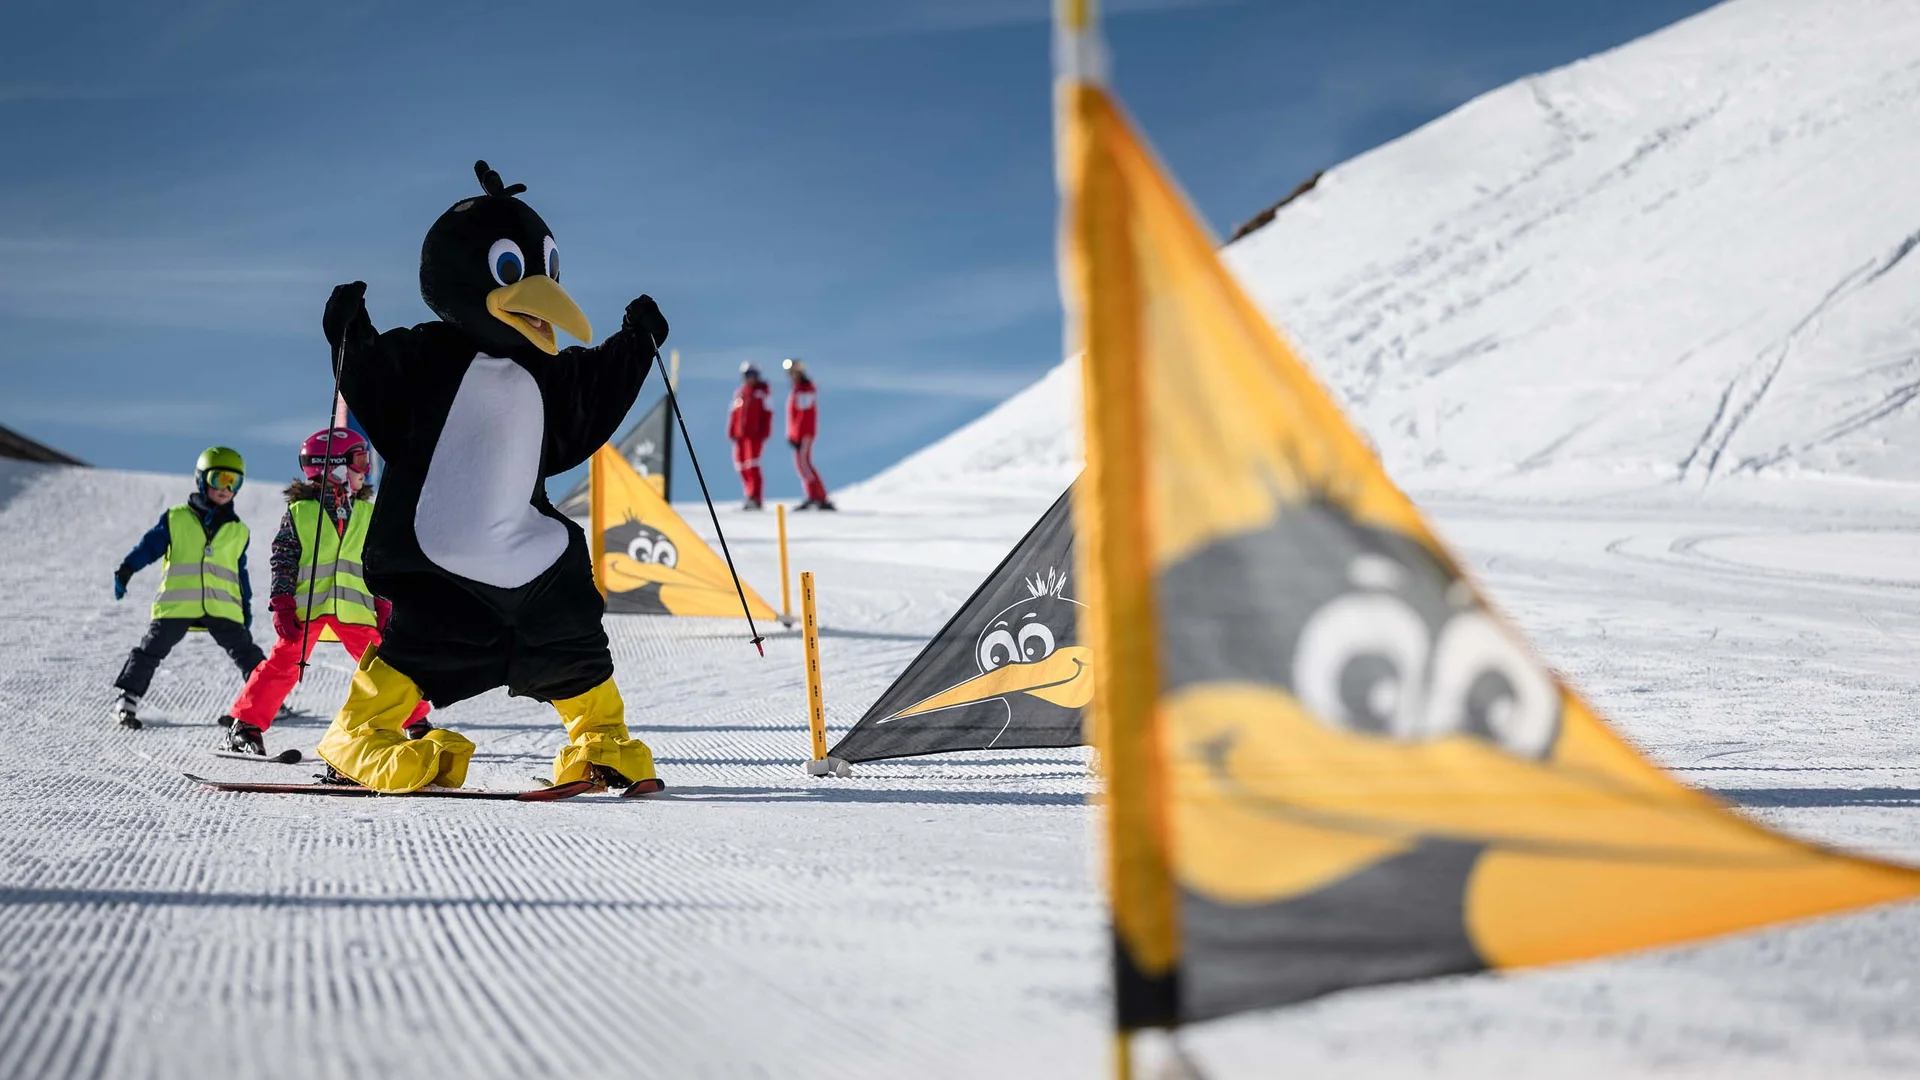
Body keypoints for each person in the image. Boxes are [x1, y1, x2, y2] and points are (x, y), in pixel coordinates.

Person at [312, 159, 667, 794]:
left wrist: (635, 343)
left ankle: (600, 740)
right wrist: (351, 334)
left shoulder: (545, 372)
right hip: (441, 563)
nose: (539, 295)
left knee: (572, 645)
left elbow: (591, 397)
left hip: (533, 561)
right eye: (511, 272)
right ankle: (357, 736)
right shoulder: (427, 357)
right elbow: (380, 388)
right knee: (421, 648)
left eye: (544, 273)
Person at [219, 428, 432, 756]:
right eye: (359, 460)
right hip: (307, 610)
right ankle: (244, 727)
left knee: (386, 666)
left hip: (356, 610)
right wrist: (282, 603)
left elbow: (378, 566)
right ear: (333, 468)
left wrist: (384, 608)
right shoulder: (301, 513)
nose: (365, 469)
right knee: (283, 665)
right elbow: (284, 559)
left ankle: (416, 722)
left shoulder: (367, 513)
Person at [111, 447, 266, 729]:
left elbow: (239, 573)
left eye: (233, 482)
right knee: (151, 648)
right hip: (178, 604)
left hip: (221, 605)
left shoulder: (238, 530)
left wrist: (245, 607)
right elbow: (149, 547)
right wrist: (127, 568)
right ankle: (127, 698)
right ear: (202, 479)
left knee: (246, 651)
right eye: (219, 479)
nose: (226, 488)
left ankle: (267, 699)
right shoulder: (176, 518)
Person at [783, 357, 835, 511]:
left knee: (804, 464)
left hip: (804, 434)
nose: (793, 376)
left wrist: (798, 436)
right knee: (801, 465)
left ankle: (818, 496)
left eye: (795, 372)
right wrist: (792, 435)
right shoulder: (797, 390)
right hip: (798, 434)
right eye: (791, 373)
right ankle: (813, 495)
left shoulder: (804, 390)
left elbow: (803, 415)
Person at [728, 361, 772, 510]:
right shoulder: (740, 394)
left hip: (754, 436)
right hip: (740, 436)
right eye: (747, 375)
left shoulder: (762, 393)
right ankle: (749, 494)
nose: (750, 378)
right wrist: (732, 431)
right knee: (741, 466)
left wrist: (764, 432)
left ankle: (755, 497)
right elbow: (734, 414)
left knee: (752, 465)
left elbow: (768, 414)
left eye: (753, 374)